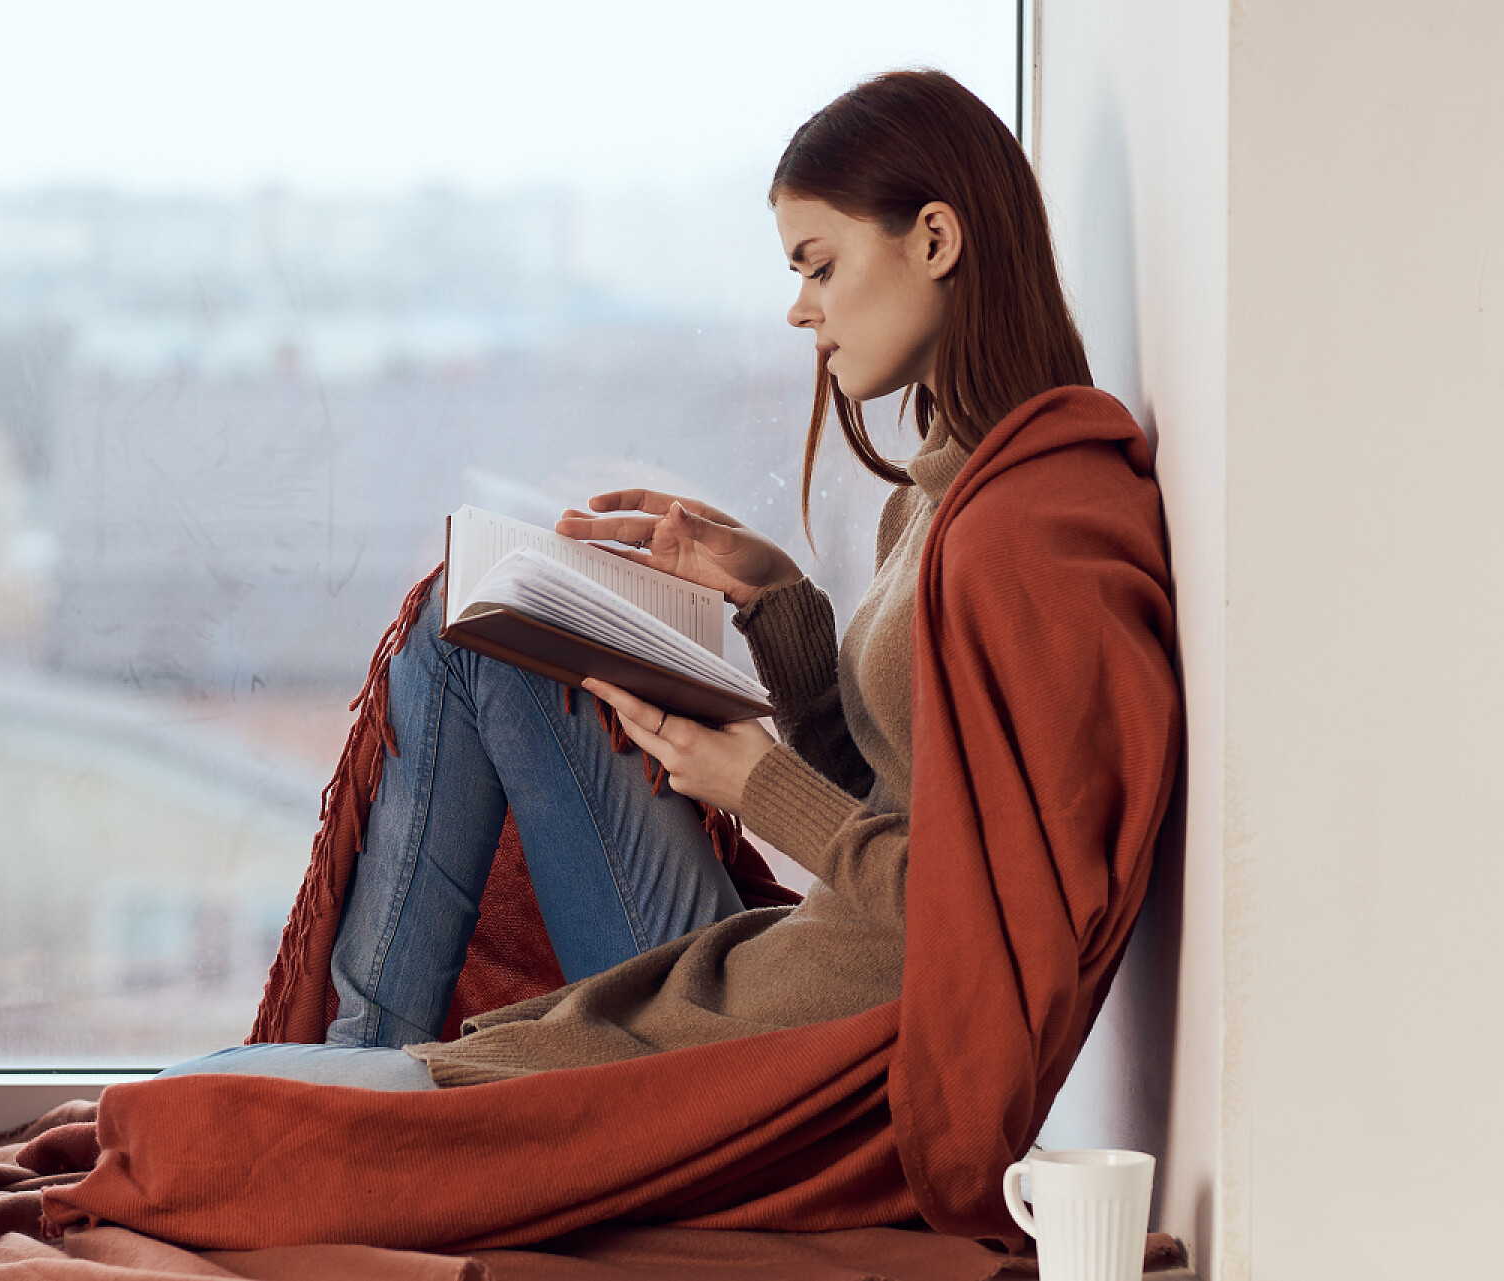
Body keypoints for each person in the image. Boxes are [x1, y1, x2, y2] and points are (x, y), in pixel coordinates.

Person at [161, 67, 1122, 1092]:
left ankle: (360, 1097)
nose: (799, 310)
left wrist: (755, 784)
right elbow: (894, 794)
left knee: (200, 1100)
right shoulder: (943, 497)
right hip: (797, 970)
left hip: (808, 1035)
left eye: (819, 266)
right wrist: (776, 598)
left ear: (935, 240)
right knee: (473, 618)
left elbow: (986, 916)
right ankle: (359, 1087)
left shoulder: (1023, 528)